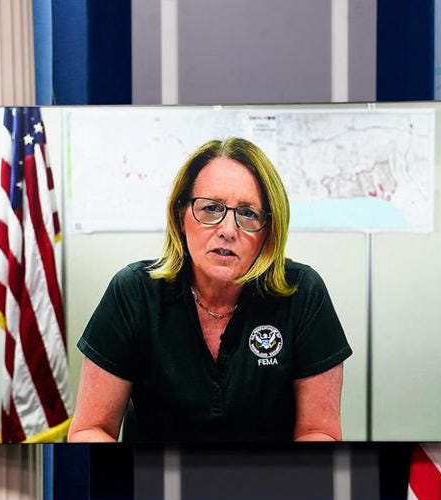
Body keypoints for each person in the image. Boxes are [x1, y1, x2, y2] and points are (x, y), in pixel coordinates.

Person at [68, 137, 352, 443]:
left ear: (269, 231)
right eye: (211, 208)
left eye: (248, 214)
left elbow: (319, 432)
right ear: (180, 217)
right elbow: (90, 430)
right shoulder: (134, 292)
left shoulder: (302, 292)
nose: (228, 230)